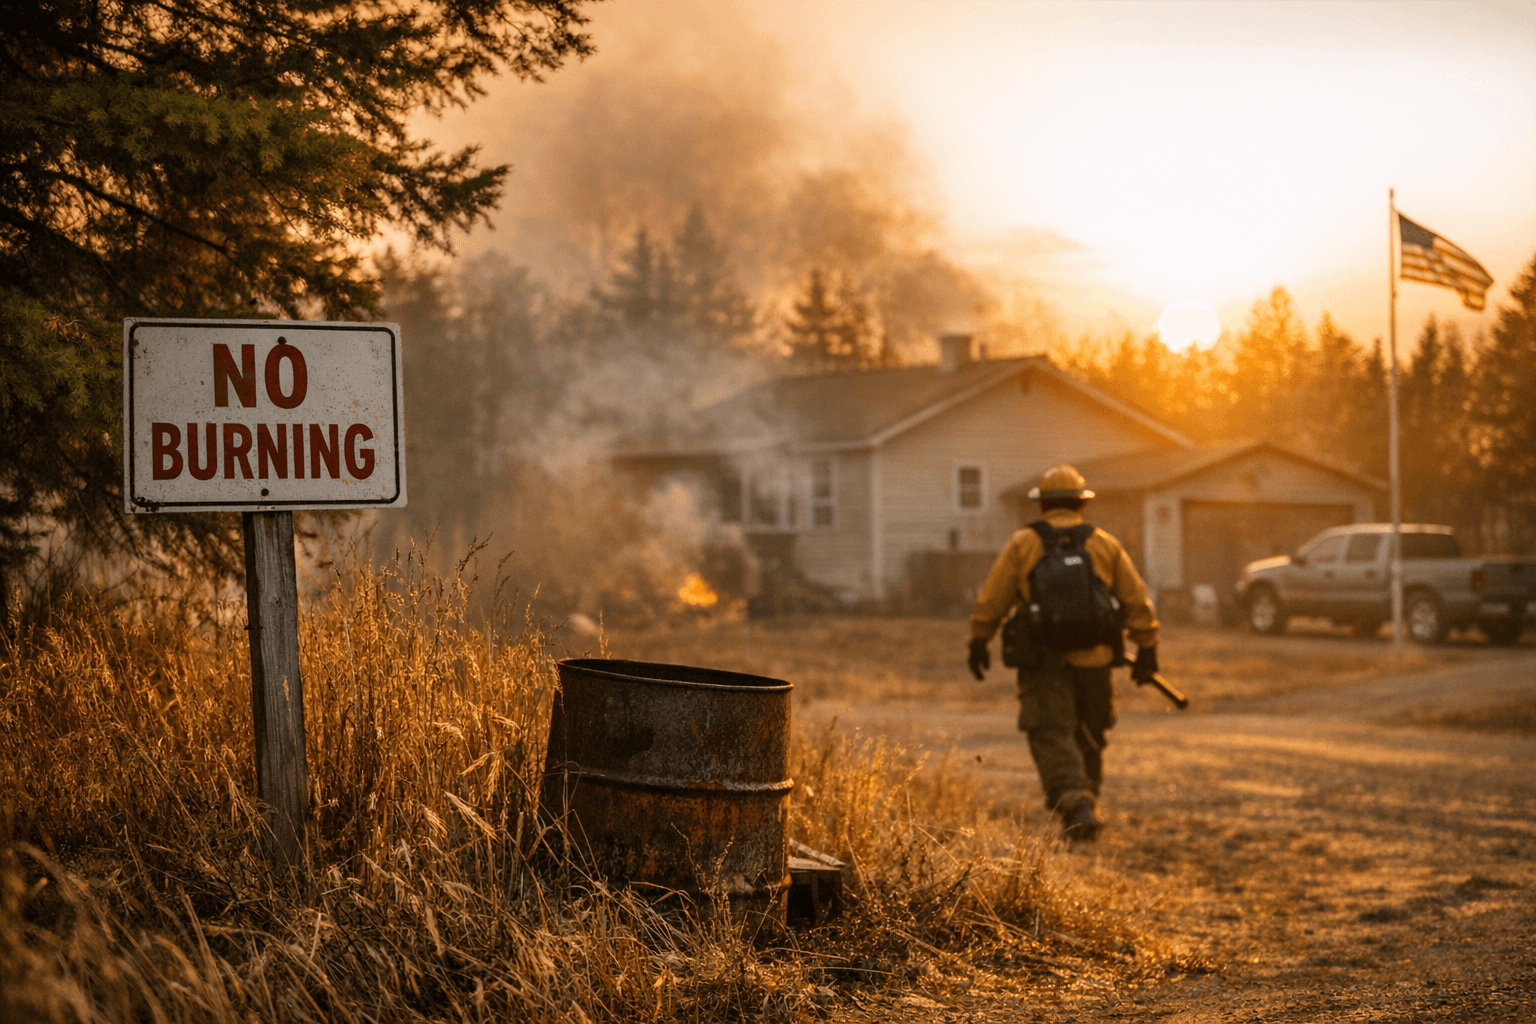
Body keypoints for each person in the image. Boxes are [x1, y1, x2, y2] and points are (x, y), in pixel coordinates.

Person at [966, 465, 1160, 841]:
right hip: (1097, 660)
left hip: (1044, 662)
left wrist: (979, 639)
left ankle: (1075, 804)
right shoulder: (1105, 543)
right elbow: (1136, 600)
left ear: (1042, 505)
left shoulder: (1023, 543)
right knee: (1090, 733)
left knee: (1051, 732)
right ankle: (1085, 805)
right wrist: (1147, 648)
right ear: (1080, 503)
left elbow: (993, 598)